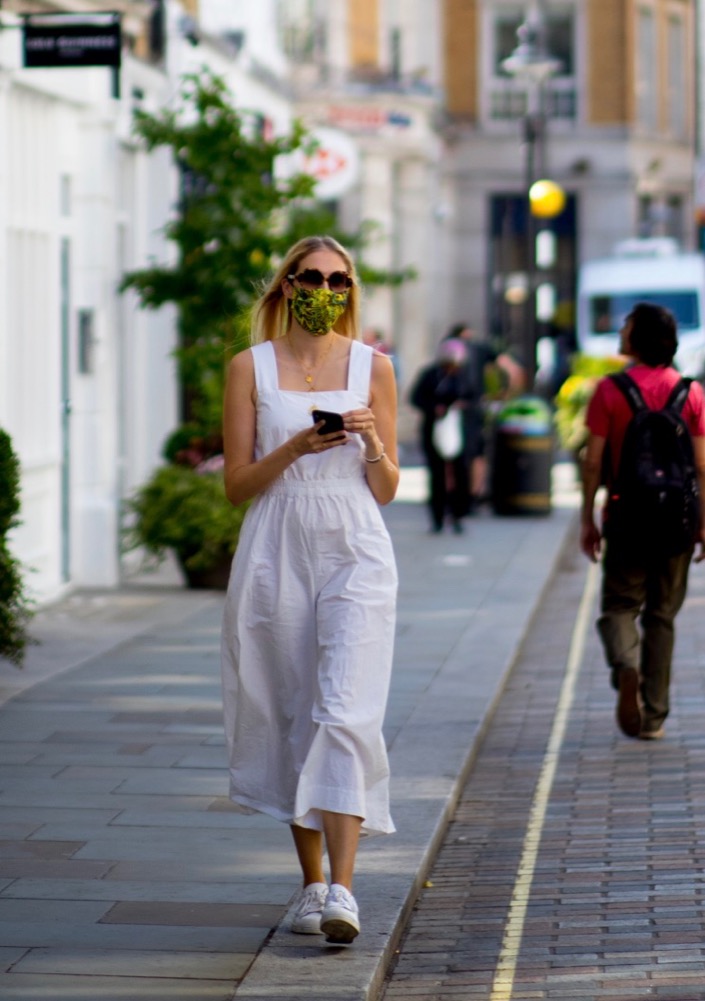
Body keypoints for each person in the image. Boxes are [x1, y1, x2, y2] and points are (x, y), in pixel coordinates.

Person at [220, 236, 399, 944]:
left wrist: (370, 443)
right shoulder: (249, 367)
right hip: (276, 543)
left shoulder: (372, 367)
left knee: (345, 708)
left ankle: (345, 892)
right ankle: (311, 883)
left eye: (339, 279)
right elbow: (237, 485)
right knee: (293, 707)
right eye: (312, 277)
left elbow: (385, 490)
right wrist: (295, 445)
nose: (325, 288)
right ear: (288, 285)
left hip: (354, 542)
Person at [580, 302, 705, 740]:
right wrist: (703, 523)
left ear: (638, 337)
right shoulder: (690, 393)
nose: (621, 330)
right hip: (677, 521)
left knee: (618, 607)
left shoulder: (609, 391)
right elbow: (702, 466)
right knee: (662, 616)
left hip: (626, 516)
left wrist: (588, 518)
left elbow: (593, 462)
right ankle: (653, 717)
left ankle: (625, 664)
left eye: (627, 326)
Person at [443, 324, 524, 507]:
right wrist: (508, 394)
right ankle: (474, 493)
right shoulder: (479, 348)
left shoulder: (447, 347)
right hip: (474, 407)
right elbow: (513, 370)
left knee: (450, 451)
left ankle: (452, 492)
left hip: (451, 409)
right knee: (476, 453)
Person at [410, 338, 473, 533]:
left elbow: (472, 396)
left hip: (458, 430)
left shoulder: (463, 376)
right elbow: (416, 398)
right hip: (434, 429)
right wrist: (433, 408)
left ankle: (458, 515)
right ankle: (437, 517)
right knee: (437, 475)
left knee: (460, 473)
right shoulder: (431, 375)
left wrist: (462, 405)